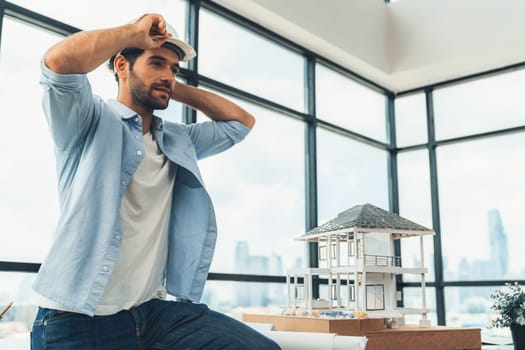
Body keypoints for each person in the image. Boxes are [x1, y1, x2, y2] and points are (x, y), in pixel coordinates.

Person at [30, 13, 280, 350]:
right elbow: (57, 62)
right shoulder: (88, 120)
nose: (167, 75)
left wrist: (172, 88)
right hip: (75, 319)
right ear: (122, 65)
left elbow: (240, 123)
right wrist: (132, 33)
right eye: (157, 63)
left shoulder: (178, 139)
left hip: (150, 315)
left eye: (173, 69)